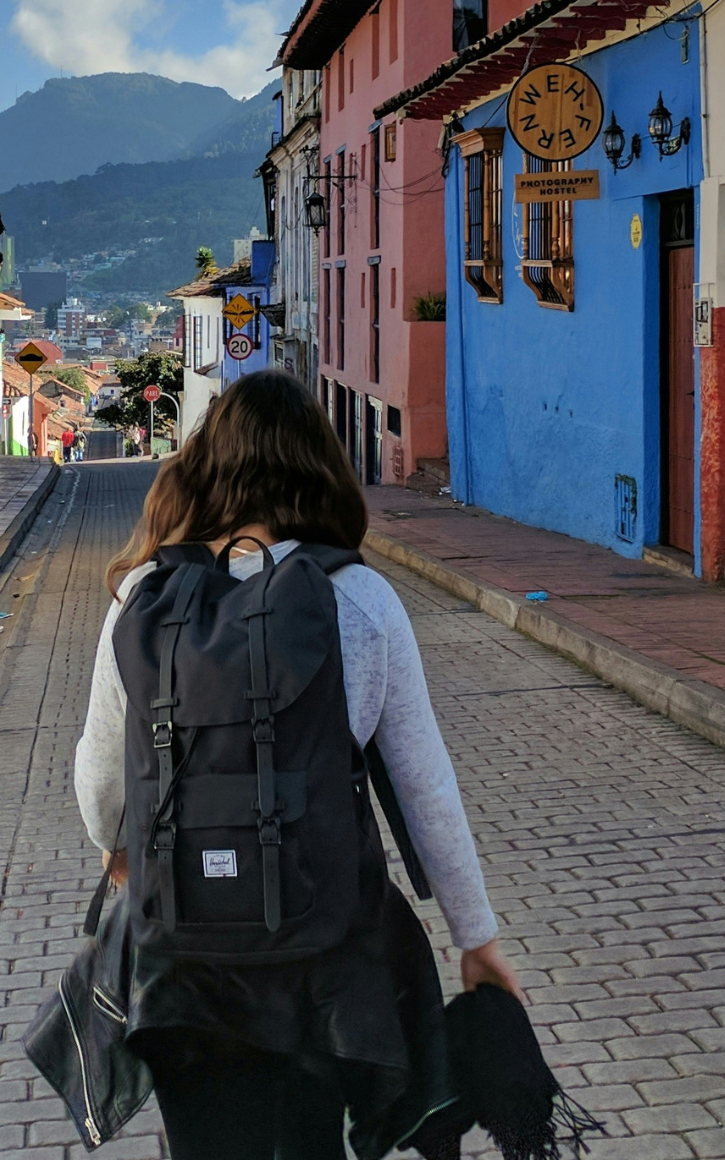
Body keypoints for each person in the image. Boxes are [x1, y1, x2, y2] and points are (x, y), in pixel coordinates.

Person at [72, 369, 516, 1159]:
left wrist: (116, 846)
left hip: (184, 960)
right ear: (320, 467)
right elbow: (424, 787)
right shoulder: (361, 598)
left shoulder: (144, 594)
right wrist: (474, 936)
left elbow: (101, 781)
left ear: (207, 466)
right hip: (322, 958)